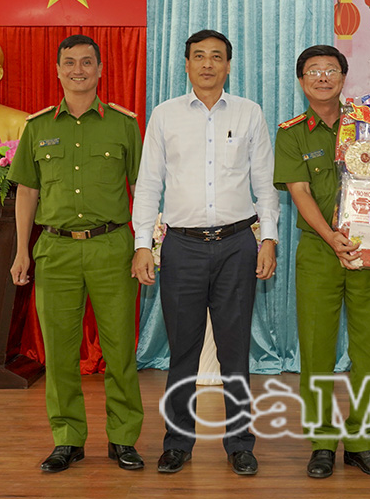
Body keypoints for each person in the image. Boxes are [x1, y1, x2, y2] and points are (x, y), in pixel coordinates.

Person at [130, 29, 279, 476]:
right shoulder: (165, 115)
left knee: (235, 351)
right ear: (187, 64)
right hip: (181, 247)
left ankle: (240, 443)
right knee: (183, 353)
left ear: (229, 65)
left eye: (217, 56)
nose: (208, 64)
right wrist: (142, 245)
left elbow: (265, 184)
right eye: (199, 56)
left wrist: (268, 239)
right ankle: (178, 442)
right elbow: (148, 184)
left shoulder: (249, 113)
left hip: (237, 245)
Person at [8, 34, 144, 473]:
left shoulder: (123, 124)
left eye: (87, 62)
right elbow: (27, 192)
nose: (78, 70)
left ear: (101, 70)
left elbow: (143, 188)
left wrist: (145, 246)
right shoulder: (38, 127)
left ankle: (123, 438)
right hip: (56, 251)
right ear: (58, 70)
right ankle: (67, 438)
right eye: (70, 62)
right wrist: (21, 251)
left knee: (119, 350)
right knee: (60, 351)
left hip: (112, 248)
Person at [273, 45, 370, 479]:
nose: (322, 77)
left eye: (330, 70)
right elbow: (300, 192)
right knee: (316, 347)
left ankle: (362, 441)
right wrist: (332, 238)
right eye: (313, 71)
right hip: (318, 252)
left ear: (343, 78)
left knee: (369, 348)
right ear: (301, 81)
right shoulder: (291, 133)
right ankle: (322, 441)